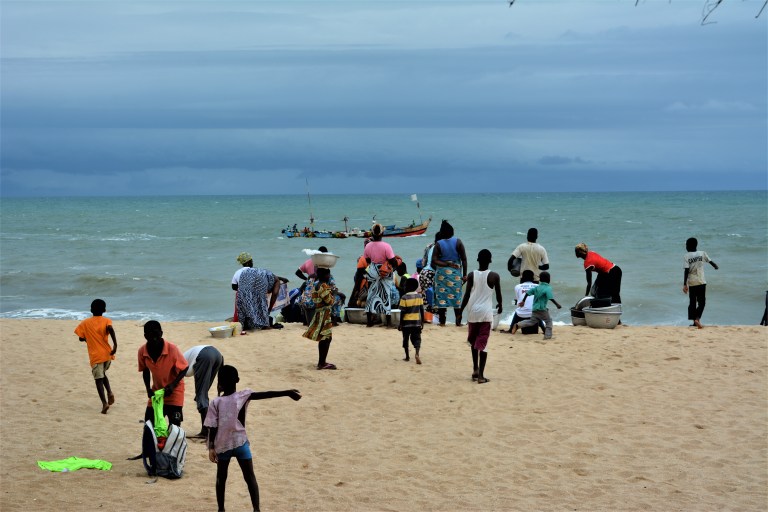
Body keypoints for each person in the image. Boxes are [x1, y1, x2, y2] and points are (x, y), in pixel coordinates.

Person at [205, 365, 301, 512]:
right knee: (250, 477)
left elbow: (212, 427)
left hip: (222, 446)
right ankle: (256, 509)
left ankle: (221, 509)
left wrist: (211, 447)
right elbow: (267, 394)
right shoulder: (243, 396)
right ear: (237, 380)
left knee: (221, 478)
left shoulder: (216, 402)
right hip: (241, 444)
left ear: (220, 382)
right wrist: (287, 392)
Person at [460, 249, 502, 384]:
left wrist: (460, 311)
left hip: (472, 312)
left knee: (473, 342)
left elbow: (467, 295)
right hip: (485, 314)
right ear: (490, 260)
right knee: (483, 344)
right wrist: (500, 305)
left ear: (477, 260)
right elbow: (498, 295)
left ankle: (475, 369)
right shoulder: (494, 276)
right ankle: (481, 376)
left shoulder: (471, 275)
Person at [138, 320, 188, 427]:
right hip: (156, 393)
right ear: (145, 336)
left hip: (174, 393)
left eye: (156, 335)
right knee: (149, 425)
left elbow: (184, 368)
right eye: (150, 336)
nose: (154, 338)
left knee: (174, 428)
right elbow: (145, 370)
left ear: (161, 333)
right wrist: (148, 388)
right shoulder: (142, 351)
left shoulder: (172, 349)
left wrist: (173, 385)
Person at [74, 299, 117, 414]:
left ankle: (104, 403)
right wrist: (115, 345)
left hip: (96, 356)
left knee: (98, 379)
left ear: (91, 310)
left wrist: (88, 338)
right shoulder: (107, 320)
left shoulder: (85, 323)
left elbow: (80, 338)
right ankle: (109, 392)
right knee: (102, 374)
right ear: (104, 310)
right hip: (107, 354)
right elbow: (110, 329)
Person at [232, 253, 286, 332]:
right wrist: (269, 308)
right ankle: (265, 326)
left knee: (247, 307)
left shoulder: (241, 272)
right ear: (249, 262)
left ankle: (245, 325)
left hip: (241, 292)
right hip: (256, 289)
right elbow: (274, 293)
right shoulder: (275, 280)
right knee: (261, 304)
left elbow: (234, 287)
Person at [183, 345, 224, 438]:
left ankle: (206, 431)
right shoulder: (182, 358)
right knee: (202, 394)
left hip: (204, 356)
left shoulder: (176, 365)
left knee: (201, 396)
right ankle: (212, 429)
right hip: (217, 354)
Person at [363, 224, 400, 327]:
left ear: (372, 233)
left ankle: (369, 322)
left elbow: (367, 260)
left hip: (373, 270)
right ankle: (388, 323)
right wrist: (396, 264)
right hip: (384, 271)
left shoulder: (368, 246)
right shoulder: (386, 246)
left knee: (371, 294)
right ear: (382, 233)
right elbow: (392, 260)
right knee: (386, 294)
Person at [432, 220, 468, 326]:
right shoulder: (458, 242)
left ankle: (442, 322)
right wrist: (465, 275)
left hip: (441, 275)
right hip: (455, 274)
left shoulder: (438, 244)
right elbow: (464, 259)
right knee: (457, 299)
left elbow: (434, 260)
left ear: (441, 233)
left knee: (442, 299)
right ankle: (458, 322)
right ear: (452, 231)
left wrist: (446, 263)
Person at [302, 267, 337, 370]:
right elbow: (330, 301)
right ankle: (322, 363)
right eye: (328, 274)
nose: (329, 276)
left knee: (324, 337)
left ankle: (321, 362)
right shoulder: (323, 286)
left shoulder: (316, 285)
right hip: (324, 314)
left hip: (318, 312)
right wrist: (334, 293)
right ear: (325, 275)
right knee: (326, 338)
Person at [511, 271, 562, 340]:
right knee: (548, 321)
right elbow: (550, 298)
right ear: (549, 279)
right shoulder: (547, 288)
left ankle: (518, 325)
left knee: (532, 321)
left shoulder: (537, 288)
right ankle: (547, 336)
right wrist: (557, 304)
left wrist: (523, 301)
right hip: (542, 309)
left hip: (534, 309)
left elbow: (528, 293)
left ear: (540, 279)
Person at [683, 237, 719, 329]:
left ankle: (695, 322)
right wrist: (715, 266)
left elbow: (686, 270)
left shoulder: (686, 256)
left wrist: (684, 284)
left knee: (692, 303)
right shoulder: (702, 253)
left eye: (686, 245)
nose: (686, 247)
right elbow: (710, 261)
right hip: (701, 281)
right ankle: (697, 319)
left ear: (689, 246)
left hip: (692, 282)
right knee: (702, 302)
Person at [505, 270, 544, 334]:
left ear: (522, 277)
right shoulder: (538, 286)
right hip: (535, 314)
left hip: (521, 315)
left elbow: (518, 300)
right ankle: (543, 328)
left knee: (518, 310)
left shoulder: (518, 286)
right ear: (533, 278)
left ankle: (510, 329)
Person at [398, 278, 425, 364]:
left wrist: (400, 323)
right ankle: (417, 353)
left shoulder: (404, 297)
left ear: (408, 287)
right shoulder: (419, 296)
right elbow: (421, 310)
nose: (404, 287)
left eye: (405, 285)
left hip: (406, 323)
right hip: (416, 322)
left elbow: (402, 312)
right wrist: (422, 321)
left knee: (405, 339)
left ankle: (407, 356)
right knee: (417, 338)